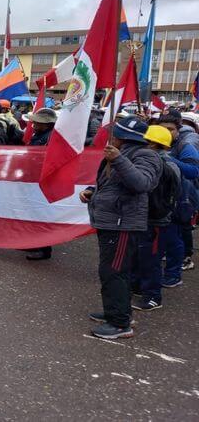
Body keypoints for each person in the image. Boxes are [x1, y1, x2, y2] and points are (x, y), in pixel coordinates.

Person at [80, 117, 161, 339]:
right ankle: (115, 312)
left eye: (115, 135)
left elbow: (142, 184)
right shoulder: (116, 155)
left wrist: (119, 160)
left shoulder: (146, 156)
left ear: (124, 138)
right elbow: (109, 184)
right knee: (111, 271)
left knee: (114, 272)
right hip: (110, 221)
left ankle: (120, 324)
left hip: (122, 224)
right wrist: (91, 192)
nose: (111, 138)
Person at [131, 124, 177, 311]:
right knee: (142, 255)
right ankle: (140, 287)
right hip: (151, 218)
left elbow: (161, 196)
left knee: (151, 259)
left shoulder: (164, 167)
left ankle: (153, 296)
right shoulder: (167, 164)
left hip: (155, 219)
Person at [157, 109, 199, 283]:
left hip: (181, 198)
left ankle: (174, 275)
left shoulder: (184, 146)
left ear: (178, 130)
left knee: (174, 238)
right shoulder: (153, 143)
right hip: (159, 199)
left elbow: (193, 171)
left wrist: (167, 159)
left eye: (170, 129)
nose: (166, 132)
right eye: (162, 128)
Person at [24, 108, 58, 260]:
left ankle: (43, 248)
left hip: (43, 180)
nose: (34, 124)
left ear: (47, 125)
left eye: (38, 122)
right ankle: (33, 242)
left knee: (41, 214)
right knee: (33, 212)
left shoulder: (51, 138)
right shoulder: (39, 135)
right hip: (34, 178)